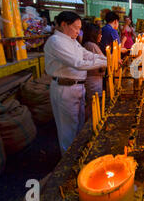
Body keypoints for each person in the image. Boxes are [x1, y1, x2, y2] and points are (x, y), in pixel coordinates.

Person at [44, 11, 107, 155]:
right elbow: (77, 63)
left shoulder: (71, 41)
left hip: (78, 87)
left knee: (78, 124)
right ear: (63, 24)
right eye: (76, 27)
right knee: (68, 129)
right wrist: (106, 62)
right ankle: (67, 162)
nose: (78, 31)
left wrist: (107, 59)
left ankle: (78, 155)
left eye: (80, 28)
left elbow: (87, 54)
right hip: (65, 88)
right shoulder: (56, 42)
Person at [82, 23, 105, 119]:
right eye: (99, 33)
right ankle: (86, 126)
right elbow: (100, 62)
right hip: (93, 79)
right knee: (93, 104)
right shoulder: (91, 45)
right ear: (94, 34)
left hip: (95, 78)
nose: (101, 36)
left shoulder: (90, 45)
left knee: (94, 103)